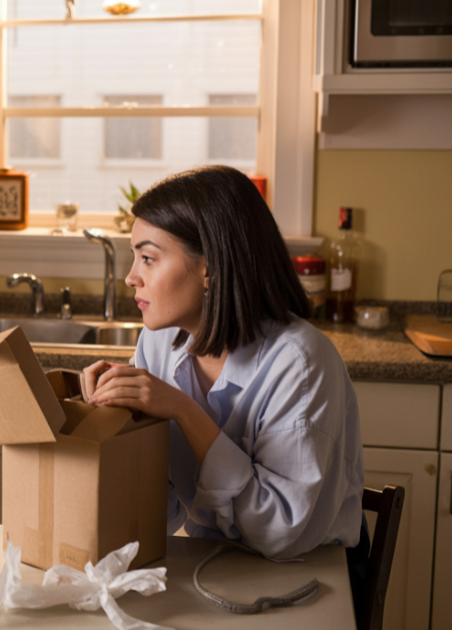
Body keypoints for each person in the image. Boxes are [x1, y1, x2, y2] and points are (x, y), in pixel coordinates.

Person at [79, 166, 369, 611]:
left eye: (149, 258)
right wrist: (112, 426)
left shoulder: (301, 364)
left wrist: (183, 411)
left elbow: (282, 534)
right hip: (214, 568)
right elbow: (163, 509)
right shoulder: (157, 342)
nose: (130, 277)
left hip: (312, 580)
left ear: (210, 268)